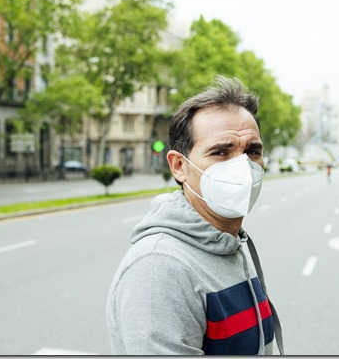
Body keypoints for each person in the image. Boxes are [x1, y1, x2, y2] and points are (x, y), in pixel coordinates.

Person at [106, 76, 284, 355]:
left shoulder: (229, 242)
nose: (243, 167)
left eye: (252, 151)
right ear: (179, 166)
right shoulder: (159, 269)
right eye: (220, 152)